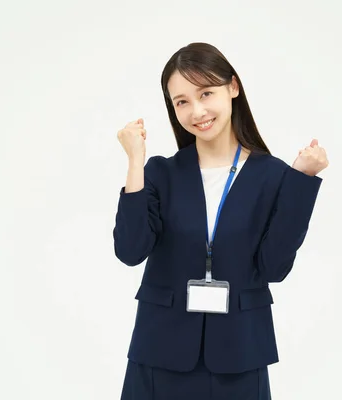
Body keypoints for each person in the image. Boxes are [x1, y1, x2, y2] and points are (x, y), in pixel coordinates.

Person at [113, 42, 328, 400]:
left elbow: (274, 268)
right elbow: (131, 250)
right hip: (159, 351)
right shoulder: (161, 173)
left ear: (233, 87)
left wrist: (301, 181)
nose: (196, 110)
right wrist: (135, 161)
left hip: (239, 354)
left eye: (206, 93)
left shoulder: (273, 175)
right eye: (181, 101)